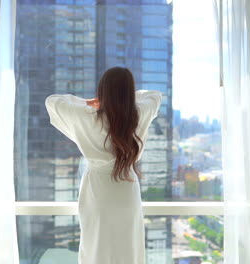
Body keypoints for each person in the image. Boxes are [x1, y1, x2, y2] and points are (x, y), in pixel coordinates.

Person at [45, 66, 163, 264]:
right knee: (128, 246)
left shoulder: (86, 116)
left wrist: (90, 102)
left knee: (96, 243)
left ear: (102, 90)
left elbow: (53, 101)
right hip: (127, 190)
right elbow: (154, 95)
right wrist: (124, 101)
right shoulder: (139, 113)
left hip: (97, 191)